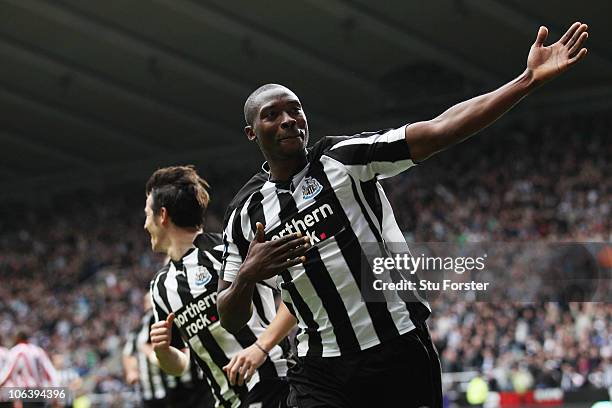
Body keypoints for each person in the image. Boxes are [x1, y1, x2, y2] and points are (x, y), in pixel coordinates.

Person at [217, 22, 589, 408]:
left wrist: (526, 81)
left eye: (294, 109)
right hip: (320, 370)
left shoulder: (342, 159)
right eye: (272, 114)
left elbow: (439, 129)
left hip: (396, 349)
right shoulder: (245, 213)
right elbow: (228, 316)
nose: (288, 119)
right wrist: (247, 276)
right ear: (251, 133)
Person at [145, 165, 292, 408]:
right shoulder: (160, 287)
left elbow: (299, 295)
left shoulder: (229, 251)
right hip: (227, 402)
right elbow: (180, 365)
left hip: (272, 384)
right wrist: (163, 352)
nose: (145, 225)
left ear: (162, 215)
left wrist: (260, 348)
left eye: (147, 215)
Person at [123, 292, 213, 408]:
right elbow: (129, 352)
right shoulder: (140, 329)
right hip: (164, 390)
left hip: (188, 384)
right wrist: (132, 371)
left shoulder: (176, 315)